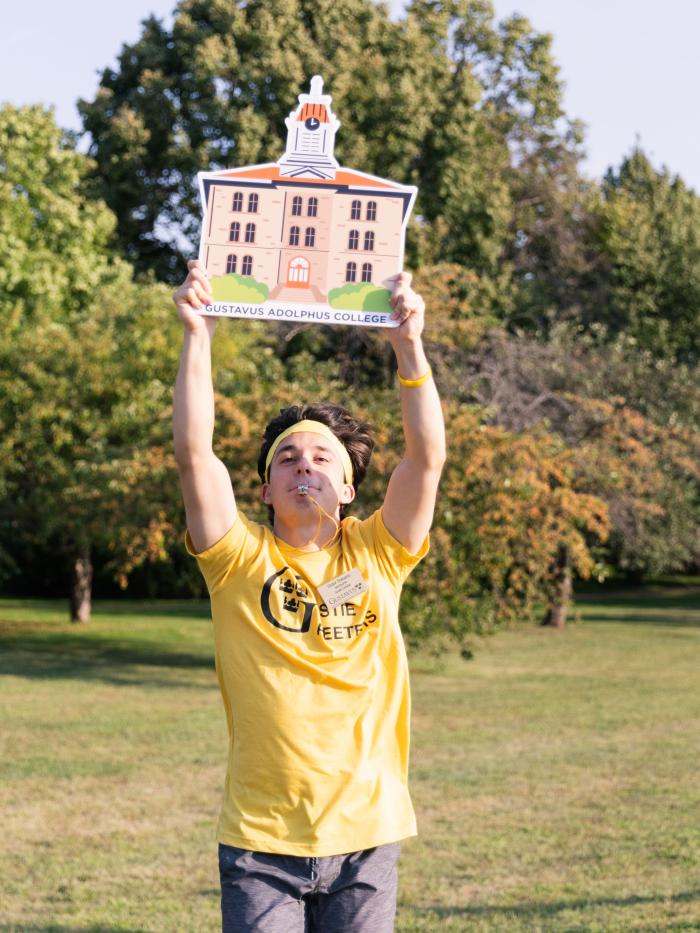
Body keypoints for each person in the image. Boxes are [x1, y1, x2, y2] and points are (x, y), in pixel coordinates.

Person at [172, 259, 446, 932]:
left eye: (323, 459)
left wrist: (410, 348)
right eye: (287, 458)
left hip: (366, 831)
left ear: (349, 488)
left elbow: (426, 459)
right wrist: (197, 334)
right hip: (261, 839)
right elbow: (193, 454)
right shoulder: (237, 560)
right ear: (264, 489)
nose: (304, 467)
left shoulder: (377, 551)